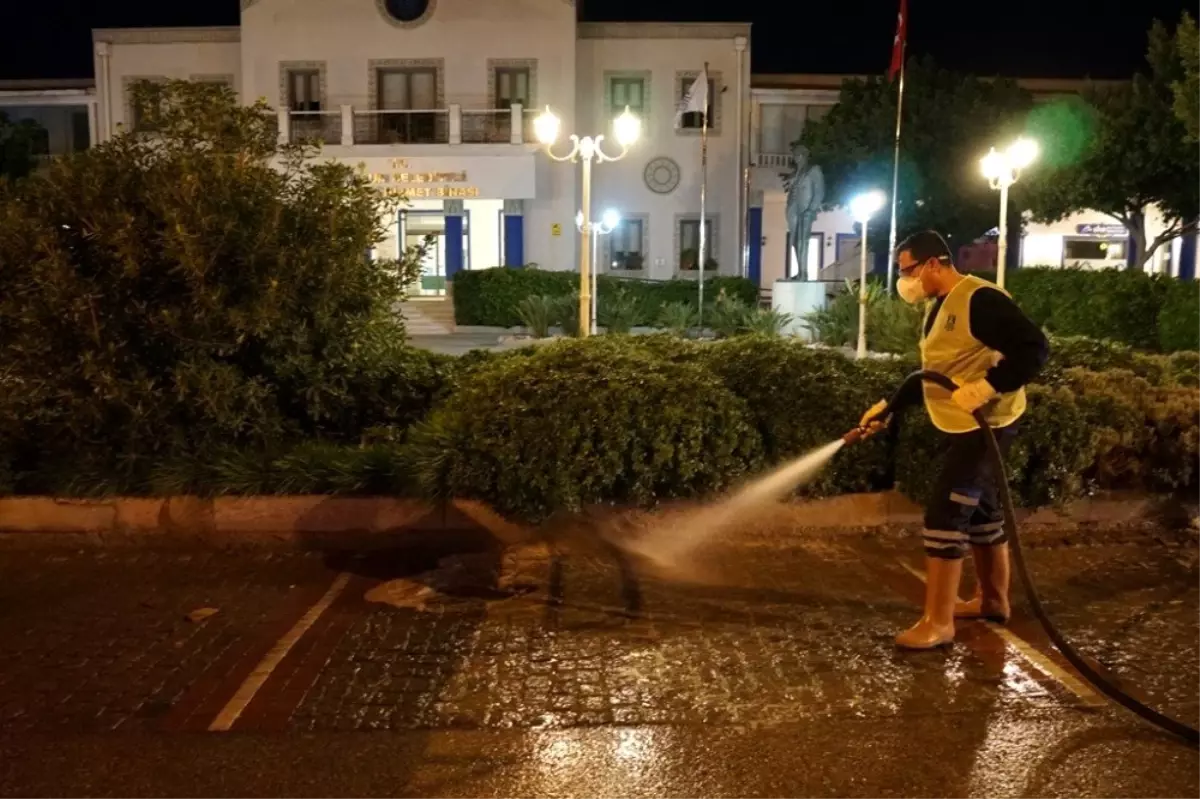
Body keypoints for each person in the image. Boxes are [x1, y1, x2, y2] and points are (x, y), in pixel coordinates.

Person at [860, 230, 1049, 650]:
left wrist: (988, 386)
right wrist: (888, 411)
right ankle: (992, 601)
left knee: (945, 516)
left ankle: (938, 623)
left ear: (932, 264)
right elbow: (935, 374)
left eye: (906, 270)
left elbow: (1034, 348)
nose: (903, 280)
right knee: (982, 513)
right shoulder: (940, 304)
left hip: (988, 424)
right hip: (963, 424)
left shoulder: (980, 300)